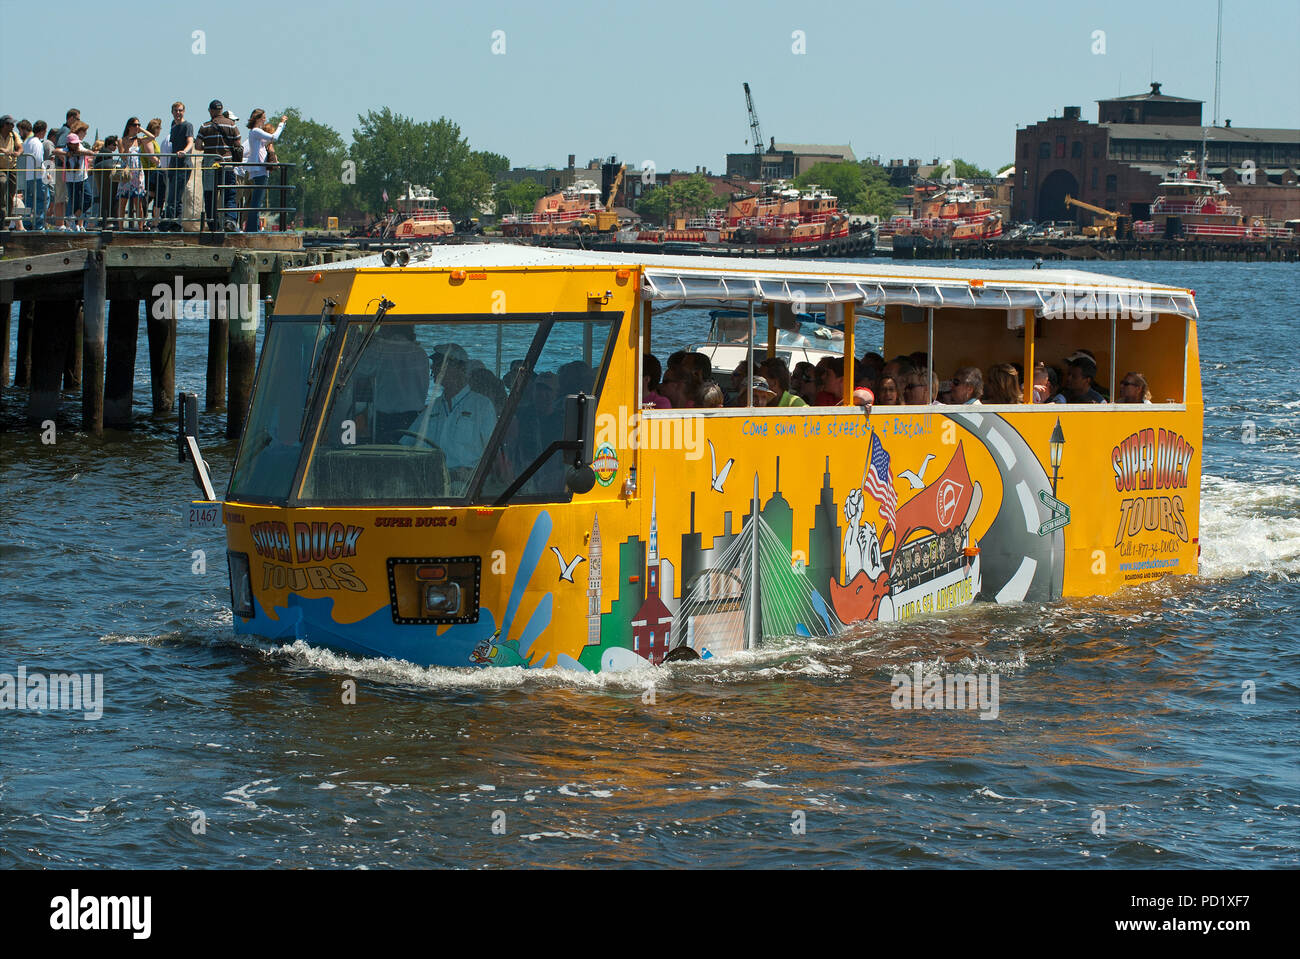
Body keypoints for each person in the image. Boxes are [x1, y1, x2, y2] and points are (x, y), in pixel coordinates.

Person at [403, 344, 497, 488]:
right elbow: (407, 442)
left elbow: (493, 454)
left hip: (466, 487)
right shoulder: (434, 407)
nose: (433, 368)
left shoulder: (482, 406)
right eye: (434, 364)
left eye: (440, 364)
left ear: (459, 369)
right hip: (431, 482)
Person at [197, 99, 242, 231]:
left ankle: (212, 224)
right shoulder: (231, 125)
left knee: (210, 195)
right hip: (227, 165)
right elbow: (238, 144)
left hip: (210, 165)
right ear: (221, 110)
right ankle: (229, 221)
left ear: (210, 111)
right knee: (229, 194)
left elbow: (198, 146)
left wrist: (209, 146)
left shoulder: (205, 126)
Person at [244, 109, 287, 232]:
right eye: (263, 117)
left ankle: (254, 227)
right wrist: (281, 124)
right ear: (258, 119)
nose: (265, 120)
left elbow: (268, 142)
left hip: (259, 170)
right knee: (256, 202)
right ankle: (252, 229)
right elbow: (274, 137)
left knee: (257, 201)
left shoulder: (255, 133)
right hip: (259, 171)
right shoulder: (256, 131)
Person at [165, 101, 195, 224]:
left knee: (174, 196)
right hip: (173, 165)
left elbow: (190, 141)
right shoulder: (173, 127)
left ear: (184, 111)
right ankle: (175, 223)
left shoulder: (187, 126)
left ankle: (172, 222)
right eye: (176, 110)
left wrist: (184, 151)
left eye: (180, 110)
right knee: (174, 197)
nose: (178, 113)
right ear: (172, 112)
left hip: (183, 165)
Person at [116, 120, 147, 229]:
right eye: (135, 125)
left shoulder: (139, 140)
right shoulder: (121, 140)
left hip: (137, 173)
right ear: (129, 126)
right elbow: (123, 156)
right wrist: (128, 146)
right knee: (123, 202)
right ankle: (120, 227)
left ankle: (140, 228)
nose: (137, 127)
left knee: (137, 202)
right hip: (126, 172)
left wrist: (141, 130)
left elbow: (152, 137)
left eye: (139, 124)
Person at [19, 120, 45, 230]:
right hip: (37, 176)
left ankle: (26, 224)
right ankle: (38, 225)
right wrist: (45, 172)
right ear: (43, 131)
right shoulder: (37, 143)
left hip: (28, 177)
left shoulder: (26, 142)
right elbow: (39, 160)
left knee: (28, 202)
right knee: (42, 200)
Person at [0, 115, 21, 230]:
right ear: (4, 125)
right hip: (1, 168)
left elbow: (20, 147)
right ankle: (2, 220)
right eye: (11, 124)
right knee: (2, 182)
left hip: (12, 168)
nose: (13, 126)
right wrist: (3, 150)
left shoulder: (14, 135)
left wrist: (18, 152)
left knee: (11, 195)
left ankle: (6, 222)